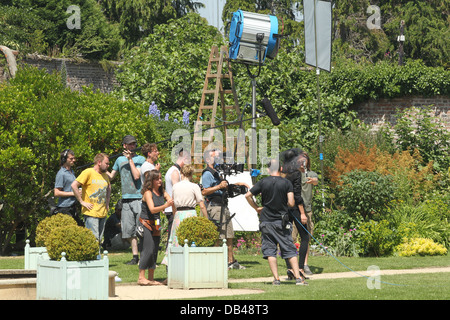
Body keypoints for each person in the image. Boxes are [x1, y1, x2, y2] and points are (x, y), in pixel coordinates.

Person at [245, 159, 307, 285]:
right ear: (281, 169)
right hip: (281, 221)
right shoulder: (286, 183)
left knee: (270, 250)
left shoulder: (263, 182)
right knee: (289, 249)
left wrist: (256, 208)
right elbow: (291, 202)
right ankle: (298, 278)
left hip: (266, 220)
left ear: (268, 169)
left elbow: (247, 195)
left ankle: (276, 279)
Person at [201, 148, 248, 269]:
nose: (217, 158)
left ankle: (231, 261)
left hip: (223, 205)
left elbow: (223, 186)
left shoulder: (217, 172)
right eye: (213, 156)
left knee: (229, 235)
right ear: (207, 159)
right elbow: (204, 191)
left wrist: (237, 185)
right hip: (215, 207)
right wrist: (219, 186)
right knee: (219, 235)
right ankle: (217, 262)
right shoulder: (207, 173)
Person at [108, 135, 146, 265]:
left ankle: (144, 256)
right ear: (124, 146)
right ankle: (135, 257)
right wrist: (100, 167)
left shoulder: (140, 159)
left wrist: (130, 160)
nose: (133, 146)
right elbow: (111, 176)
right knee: (129, 231)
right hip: (126, 199)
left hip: (138, 198)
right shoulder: (119, 160)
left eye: (134, 144)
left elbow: (136, 176)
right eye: (130, 144)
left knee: (141, 230)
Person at [161, 164, 207, 265]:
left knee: (176, 239)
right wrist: (206, 219)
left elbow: (173, 204)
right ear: (191, 174)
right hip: (190, 213)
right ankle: (192, 263)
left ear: (181, 173)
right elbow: (202, 204)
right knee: (191, 239)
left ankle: (174, 263)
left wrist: (175, 215)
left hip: (178, 214)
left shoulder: (175, 186)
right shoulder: (194, 186)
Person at [138, 170, 173, 286]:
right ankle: (141, 277)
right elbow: (152, 209)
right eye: (157, 179)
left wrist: (171, 201)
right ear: (151, 180)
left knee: (154, 251)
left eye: (160, 178)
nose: (160, 181)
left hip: (156, 223)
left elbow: (169, 199)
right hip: (146, 223)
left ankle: (151, 278)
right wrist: (165, 206)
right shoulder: (148, 193)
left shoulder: (161, 191)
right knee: (148, 249)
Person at [280, 148, 309, 280]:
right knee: (305, 237)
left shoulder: (281, 172)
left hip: (283, 210)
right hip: (295, 209)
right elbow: (297, 196)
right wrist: (302, 213)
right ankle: (301, 268)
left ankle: (290, 268)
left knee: (286, 239)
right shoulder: (296, 173)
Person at [71, 153, 111, 247]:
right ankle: (95, 259)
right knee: (93, 239)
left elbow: (108, 187)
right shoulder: (88, 172)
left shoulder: (104, 175)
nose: (108, 165)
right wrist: (81, 201)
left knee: (99, 239)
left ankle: (97, 259)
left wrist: (107, 202)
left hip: (102, 212)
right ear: (99, 162)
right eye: (107, 163)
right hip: (91, 212)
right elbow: (74, 185)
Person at [163, 147, 190, 247]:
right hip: (173, 208)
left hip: (172, 207)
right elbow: (177, 191)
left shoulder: (173, 170)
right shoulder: (175, 172)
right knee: (172, 234)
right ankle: (169, 256)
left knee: (173, 233)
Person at [299, 152, 319, 276]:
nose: (302, 160)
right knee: (291, 238)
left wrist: (313, 181)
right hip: (295, 210)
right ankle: (294, 265)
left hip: (307, 210)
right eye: (300, 158)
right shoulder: (294, 174)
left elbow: (316, 181)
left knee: (306, 238)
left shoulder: (311, 174)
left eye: (305, 158)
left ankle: (305, 264)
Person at [53, 149, 83, 226]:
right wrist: (73, 193)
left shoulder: (71, 172)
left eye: (74, 158)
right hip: (65, 208)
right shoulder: (61, 173)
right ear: (64, 159)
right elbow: (56, 192)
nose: (74, 160)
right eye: (71, 159)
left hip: (73, 207)